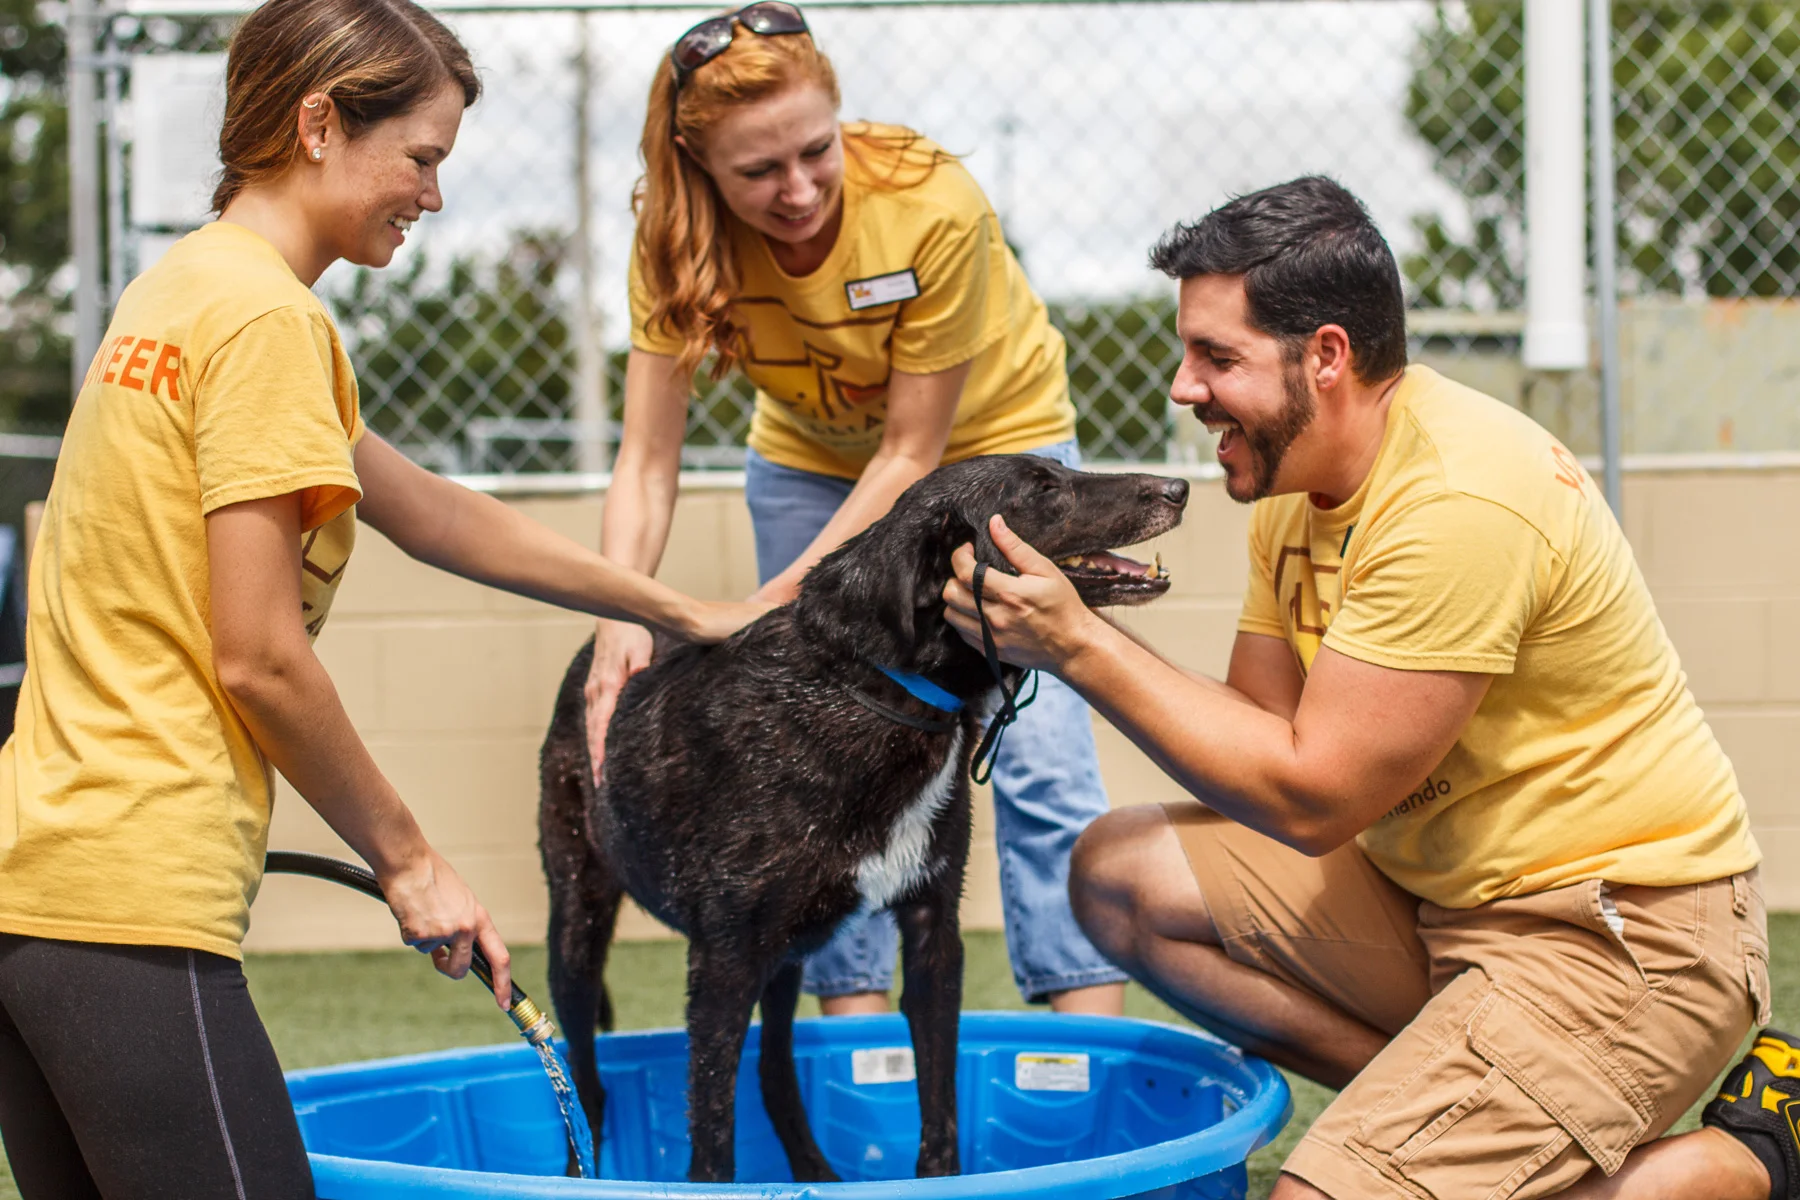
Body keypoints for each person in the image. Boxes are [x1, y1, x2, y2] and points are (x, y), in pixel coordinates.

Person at [0, 1, 760, 1195]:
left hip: (37, 880)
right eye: (421, 157)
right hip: (127, 898)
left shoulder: (184, 291)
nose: (433, 196)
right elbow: (256, 652)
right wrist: (410, 860)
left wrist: (677, 611)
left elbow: (436, 512)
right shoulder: (264, 321)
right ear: (317, 123)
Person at [941, 175, 1781, 1200]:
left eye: (1217, 356)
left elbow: (1312, 797)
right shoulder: (1298, 490)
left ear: (1326, 357)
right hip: (1437, 905)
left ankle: (1739, 1163)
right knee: (1122, 874)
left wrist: (1079, 647)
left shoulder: (1459, 497)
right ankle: (1445, 1122)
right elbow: (1260, 739)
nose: (1182, 386)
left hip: (1619, 939)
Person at [584, 1, 1125, 1016]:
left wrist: (775, 606)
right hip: (811, 466)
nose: (796, 190)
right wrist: (622, 613)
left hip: (995, 449)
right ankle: (857, 1049)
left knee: (1038, 754)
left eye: (815, 151)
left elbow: (915, 455)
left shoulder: (931, 204)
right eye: (757, 173)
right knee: (822, 756)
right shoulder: (671, 243)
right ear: (700, 169)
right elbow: (648, 460)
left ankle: (1079, 1044)